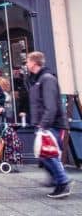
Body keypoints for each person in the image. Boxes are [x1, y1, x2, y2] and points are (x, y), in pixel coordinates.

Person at [27, 51, 72, 198]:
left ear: (34, 63)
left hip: (51, 124)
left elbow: (50, 105)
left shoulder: (47, 79)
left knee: (49, 155)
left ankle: (63, 182)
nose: (26, 64)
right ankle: (56, 179)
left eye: (28, 61)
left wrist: (43, 125)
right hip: (44, 123)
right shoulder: (37, 79)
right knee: (45, 154)